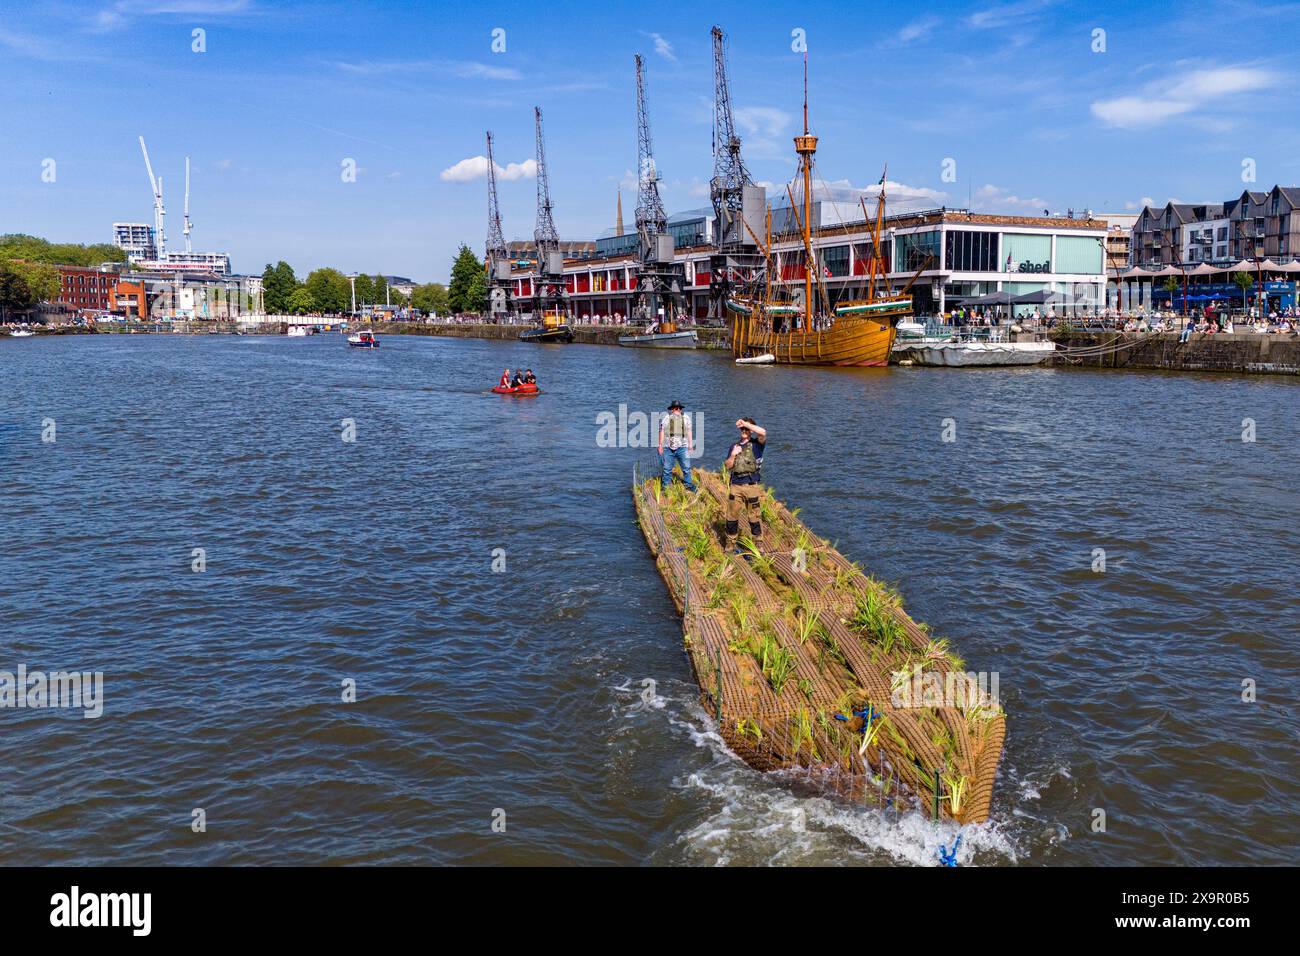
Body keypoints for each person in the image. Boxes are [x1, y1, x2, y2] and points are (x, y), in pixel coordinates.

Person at [723, 417, 767, 552]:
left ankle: (758, 543)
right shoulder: (734, 446)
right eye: (742, 429)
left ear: (751, 430)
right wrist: (733, 455)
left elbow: (763, 432)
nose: (744, 431)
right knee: (731, 517)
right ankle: (730, 544)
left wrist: (746, 424)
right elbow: (728, 466)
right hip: (736, 486)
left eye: (747, 429)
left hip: (751, 486)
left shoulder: (757, 444)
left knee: (754, 516)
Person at [657, 400, 697, 494]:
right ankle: (665, 487)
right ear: (672, 410)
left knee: (686, 468)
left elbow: (689, 431)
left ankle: (688, 485)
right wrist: (660, 445)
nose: (678, 410)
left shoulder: (686, 418)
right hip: (668, 448)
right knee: (667, 469)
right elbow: (662, 431)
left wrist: (691, 445)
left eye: (679, 408)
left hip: (682, 447)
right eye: (676, 408)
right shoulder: (666, 418)